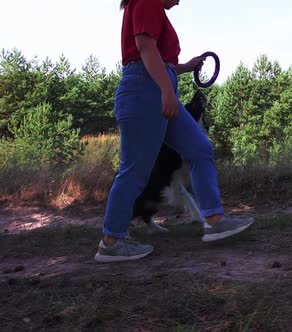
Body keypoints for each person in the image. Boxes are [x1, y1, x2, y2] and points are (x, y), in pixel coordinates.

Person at [95, 0, 253, 263]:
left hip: (158, 88)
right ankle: (111, 242)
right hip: (145, 93)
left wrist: (184, 68)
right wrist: (166, 90)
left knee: (200, 148)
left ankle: (214, 220)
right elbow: (144, 48)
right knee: (134, 170)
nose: (180, 1)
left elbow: (157, 57)